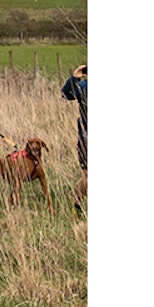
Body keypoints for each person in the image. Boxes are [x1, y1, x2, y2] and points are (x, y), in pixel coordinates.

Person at [61, 63, 87, 211]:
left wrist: (74, 77)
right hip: (86, 137)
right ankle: (76, 206)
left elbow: (65, 93)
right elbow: (66, 94)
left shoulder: (84, 87)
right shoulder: (84, 87)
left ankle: (76, 206)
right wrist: (74, 79)